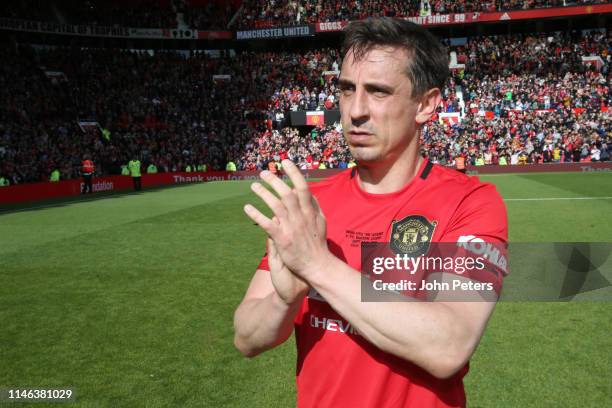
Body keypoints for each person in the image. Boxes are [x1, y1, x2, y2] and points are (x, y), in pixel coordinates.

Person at [234, 18, 507, 408]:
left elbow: (449, 345)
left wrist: (317, 267)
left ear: (426, 104)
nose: (355, 111)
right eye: (347, 90)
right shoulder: (311, 206)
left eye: (378, 92)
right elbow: (246, 337)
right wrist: (285, 299)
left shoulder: (471, 202)